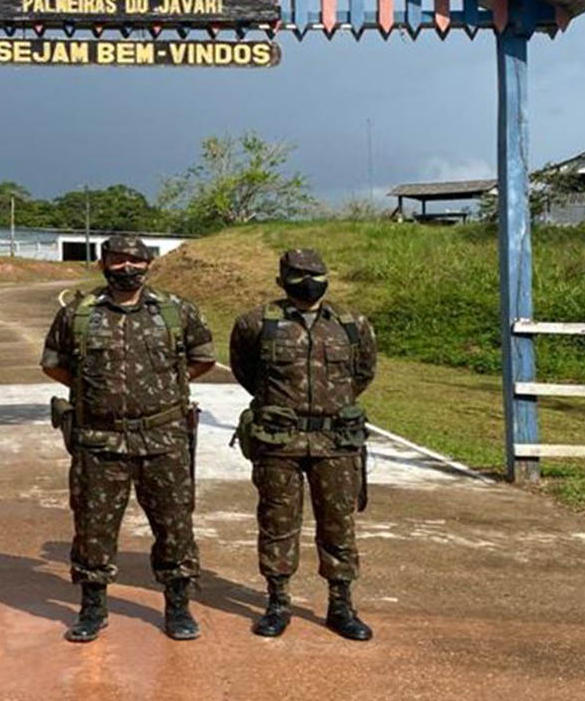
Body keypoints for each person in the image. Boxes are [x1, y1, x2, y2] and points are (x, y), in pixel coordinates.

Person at [40, 234, 216, 643]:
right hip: (99, 441)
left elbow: (202, 357)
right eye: (117, 261)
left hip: (164, 437)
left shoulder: (176, 311)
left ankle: (178, 606)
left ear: (148, 264)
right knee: (93, 526)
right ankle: (92, 607)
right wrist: (94, 393)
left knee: (174, 525)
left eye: (135, 261)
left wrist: (165, 388)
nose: (127, 268)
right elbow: (54, 364)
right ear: (103, 264)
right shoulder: (78, 314)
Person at [229, 248, 377, 641]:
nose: (310, 281)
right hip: (280, 441)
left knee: (339, 524)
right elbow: (246, 371)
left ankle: (341, 605)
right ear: (282, 281)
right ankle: (278, 602)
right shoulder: (257, 323)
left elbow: (363, 372)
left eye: (317, 273)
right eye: (300, 275)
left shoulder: (351, 323)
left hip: (337, 442)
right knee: (277, 523)